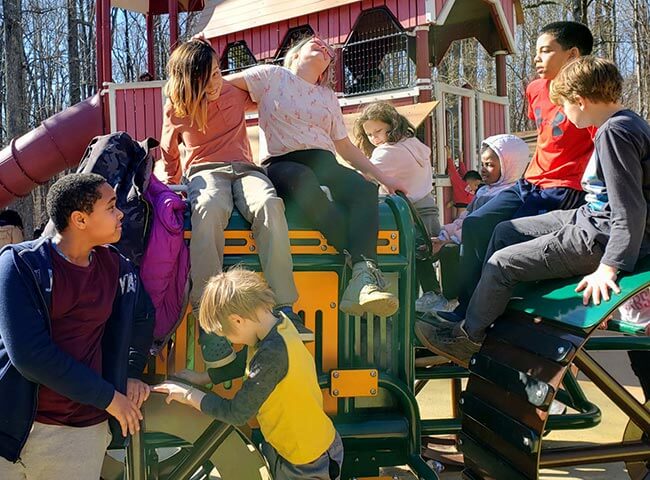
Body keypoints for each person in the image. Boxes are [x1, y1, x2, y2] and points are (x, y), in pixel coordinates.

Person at [415, 56, 650, 366]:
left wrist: (610, 266)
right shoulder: (628, 121)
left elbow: (629, 207)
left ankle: (469, 339)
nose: (564, 113)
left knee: (502, 262)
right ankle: (491, 312)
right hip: (589, 218)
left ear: (579, 100)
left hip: (599, 237)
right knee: (506, 230)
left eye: (564, 106)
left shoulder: (613, 133)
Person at [159, 40, 310, 383]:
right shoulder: (176, 108)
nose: (217, 81)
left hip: (246, 169)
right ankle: (209, 317)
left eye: (217, 72)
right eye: (208, 77)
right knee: (209, 209)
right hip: (205, 172)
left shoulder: (232, 91)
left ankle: (285, 307)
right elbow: (168, 154)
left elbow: (273, 88)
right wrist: (169, 190)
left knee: (269, 204)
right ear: (189, 81)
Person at [227, 36, 406, 317]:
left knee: (363, 189)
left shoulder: (327, 96)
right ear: (295, 54)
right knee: (303, 180)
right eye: (316, 43)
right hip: (283, 162)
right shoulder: (272, 76)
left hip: (324, 161)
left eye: (328, 50)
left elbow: (345, 147)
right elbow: (222, 85)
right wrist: (203, 60)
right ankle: (356, 256)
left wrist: (383, 178)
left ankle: (362, 275)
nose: (324, 47)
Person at [439, 21, 595, 322]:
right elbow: (547, 136)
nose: (536, 58)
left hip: (564, 189)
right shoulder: (535, 89)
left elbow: (601, 147)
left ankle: (495, 312)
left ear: (573, 54)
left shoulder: (586, 98)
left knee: (506, 235)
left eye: (546, 51)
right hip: (530, 183)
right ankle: (466, 306)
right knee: (474, 223)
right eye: (535, 51)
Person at [0, 173, 154, 478]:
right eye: (111, 207)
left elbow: (143, 316)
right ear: (80, 220)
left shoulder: (116, 267)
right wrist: (111, 398)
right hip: (13, 429)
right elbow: (30, 354)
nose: (120, 212)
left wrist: (132, 373)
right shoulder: (20, 265)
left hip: (81, 435)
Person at [153, 268, 344, 480]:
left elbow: (237, 413)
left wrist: (188, 395)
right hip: (289, 447)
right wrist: (203, 378)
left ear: (237, 320)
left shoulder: (273, 353)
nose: (230, 340)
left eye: (226, 334)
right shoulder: (275, 326)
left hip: (309, 461)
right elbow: (245, 363)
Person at [353, 101, 440, 237]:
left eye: (378, 131)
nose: (374, 138)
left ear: (392, 125)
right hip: (428, 209)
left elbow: (361, 177)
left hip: (408, 216)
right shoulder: (413, 143)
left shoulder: (388, 152)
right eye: (369, 134)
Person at [434, 135, 529, 250]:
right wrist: (445, 235)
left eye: (489, 165)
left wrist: (454, 240)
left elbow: (480, 226)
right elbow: (465, 218)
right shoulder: (484, 191)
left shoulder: (508, 196)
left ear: (509, 167)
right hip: (466, 243)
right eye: (483, 164)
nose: (483, 169)